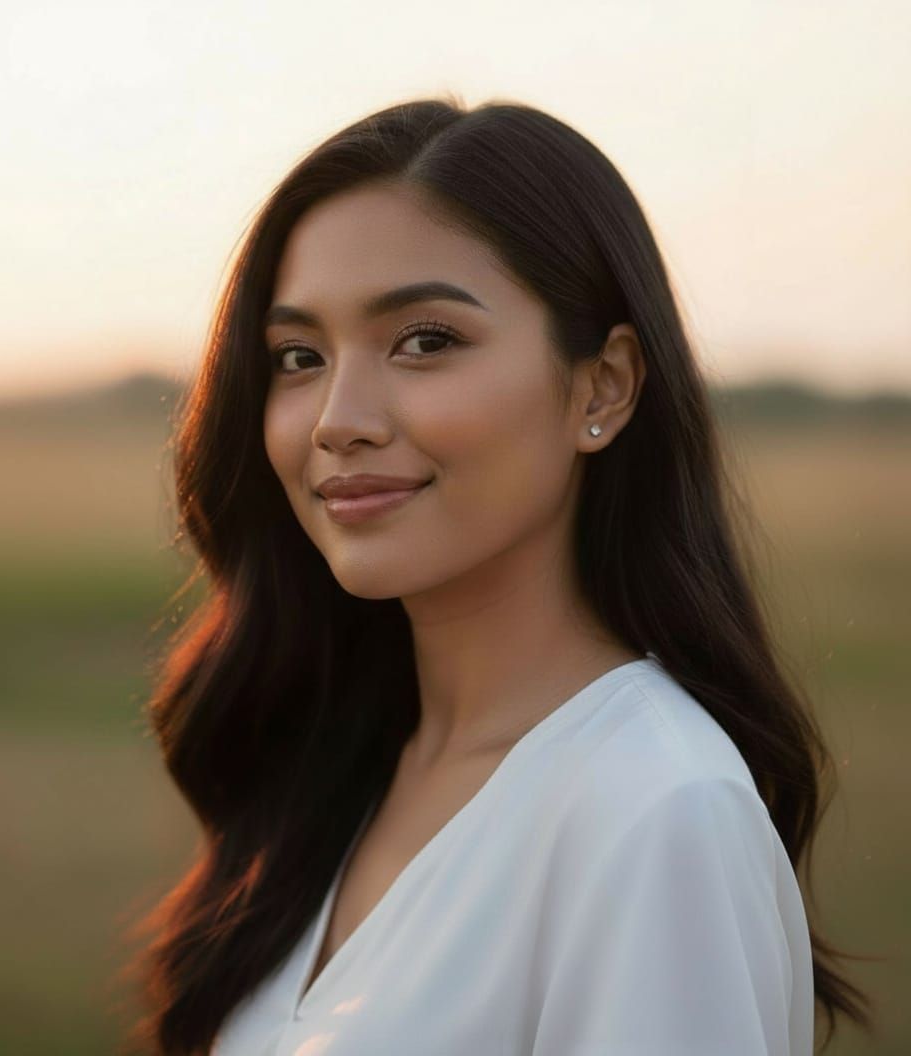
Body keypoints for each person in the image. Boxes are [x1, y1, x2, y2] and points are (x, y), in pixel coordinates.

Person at [121, 96, 873, 1056]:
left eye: (425, 341)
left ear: (604, 384)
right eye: (299, 357)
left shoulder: (657, 810)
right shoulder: (339, 764)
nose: (337, 420)